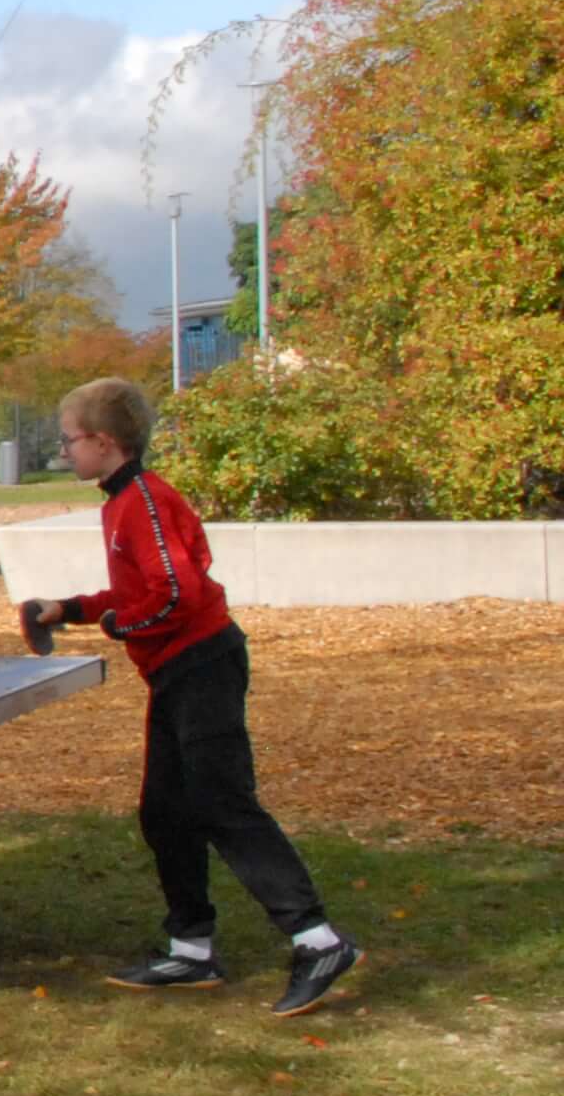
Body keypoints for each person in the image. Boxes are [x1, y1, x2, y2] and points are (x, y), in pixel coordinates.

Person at [21, 378, 359, 1016]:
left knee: (222, 803)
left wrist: (121, 625)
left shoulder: (145, 500)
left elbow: (176, 595)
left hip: (203, 666)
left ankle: (319, 941)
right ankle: (191, 947)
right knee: (166, 812)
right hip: (177, 673)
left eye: (69, 441)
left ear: (103, 441)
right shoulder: (122, 503)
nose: (65, 452)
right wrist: (70, 608)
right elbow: (141, 588)